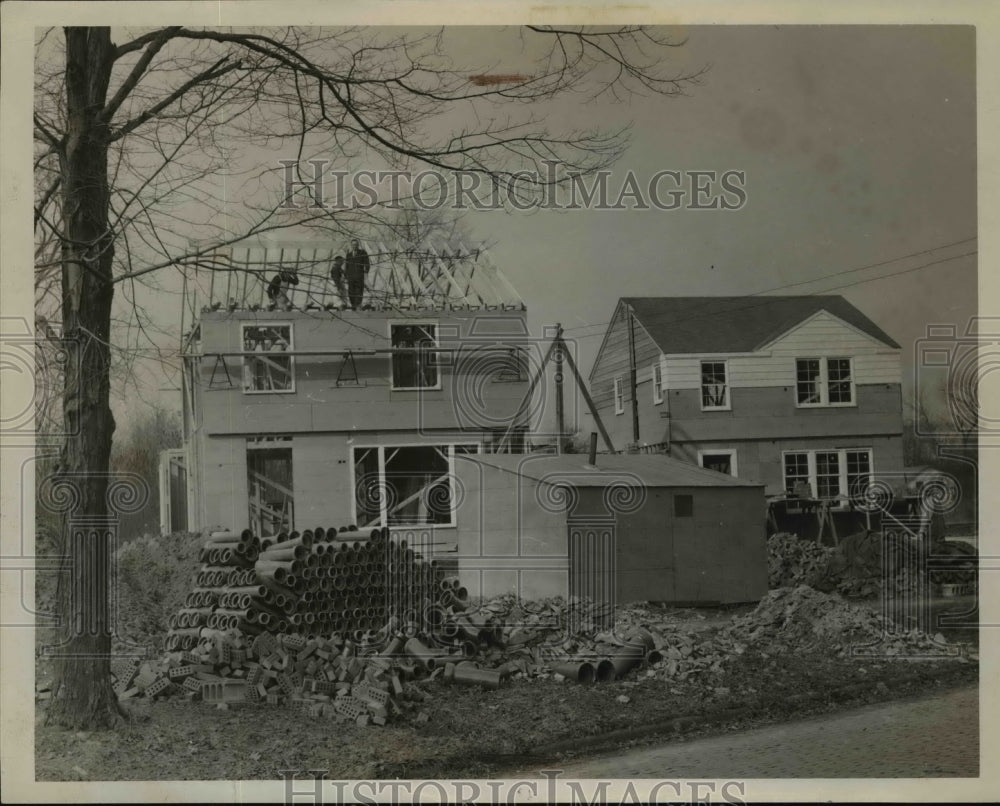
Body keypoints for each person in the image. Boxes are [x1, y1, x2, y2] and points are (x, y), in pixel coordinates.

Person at [344, 238, 370, 310]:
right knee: (351, 292)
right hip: (351, 277)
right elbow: (347, 266)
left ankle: (358, 305)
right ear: (351, 246)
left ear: (358, 245)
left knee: (359, 292)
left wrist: (365, 274)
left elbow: (367, 264)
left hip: (359, 277)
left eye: (355, 245)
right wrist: (346, 276)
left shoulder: (362, 253)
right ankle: (353, 306)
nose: (354, 246)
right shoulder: (348, 255)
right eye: (353, 245)